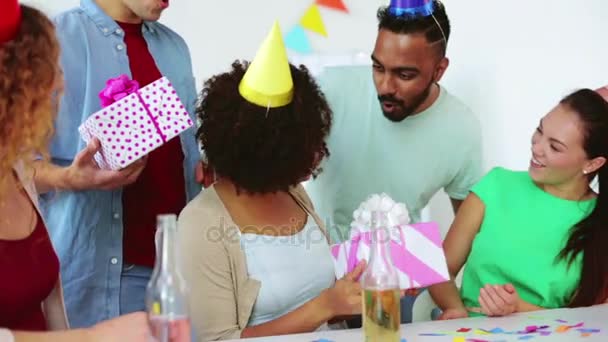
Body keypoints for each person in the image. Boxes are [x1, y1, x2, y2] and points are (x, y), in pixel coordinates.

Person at [177, 23, 364, 341]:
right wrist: (324, 307)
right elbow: (216, 340)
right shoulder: (199, 223)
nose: (317, 156)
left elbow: (323, 301)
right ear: (270, 152)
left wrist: (351, 298)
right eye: (305, 148)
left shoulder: (294, 195)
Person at [304, 0, 482, 323]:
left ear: (439, 69)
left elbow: (469, 224)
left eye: (405, 74)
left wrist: (429, 276)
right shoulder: (331, 89)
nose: (385, 86)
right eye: (378, 67)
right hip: (314, 277)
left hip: (393, 288)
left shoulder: (462, 128)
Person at [32, 0, 202, 328]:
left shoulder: (175, 47)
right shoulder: (53, 39)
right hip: (93, 278)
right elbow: (13, 169)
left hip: (177, 273)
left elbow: (188, 150)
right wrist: (70, 178)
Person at [0, 2, 154, 341]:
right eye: (48, 70)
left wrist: (70, 178)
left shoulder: (18, 175)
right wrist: (90, 337)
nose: (60, 86)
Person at [429, 89, 608, 319]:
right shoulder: (496, 185)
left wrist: (519, 309)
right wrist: (455, 308)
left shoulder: (600, 221)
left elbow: (595, 321)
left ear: (593, 164)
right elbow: (440, 268)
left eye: (555, 147)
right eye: (539, 131)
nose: (537, 147)